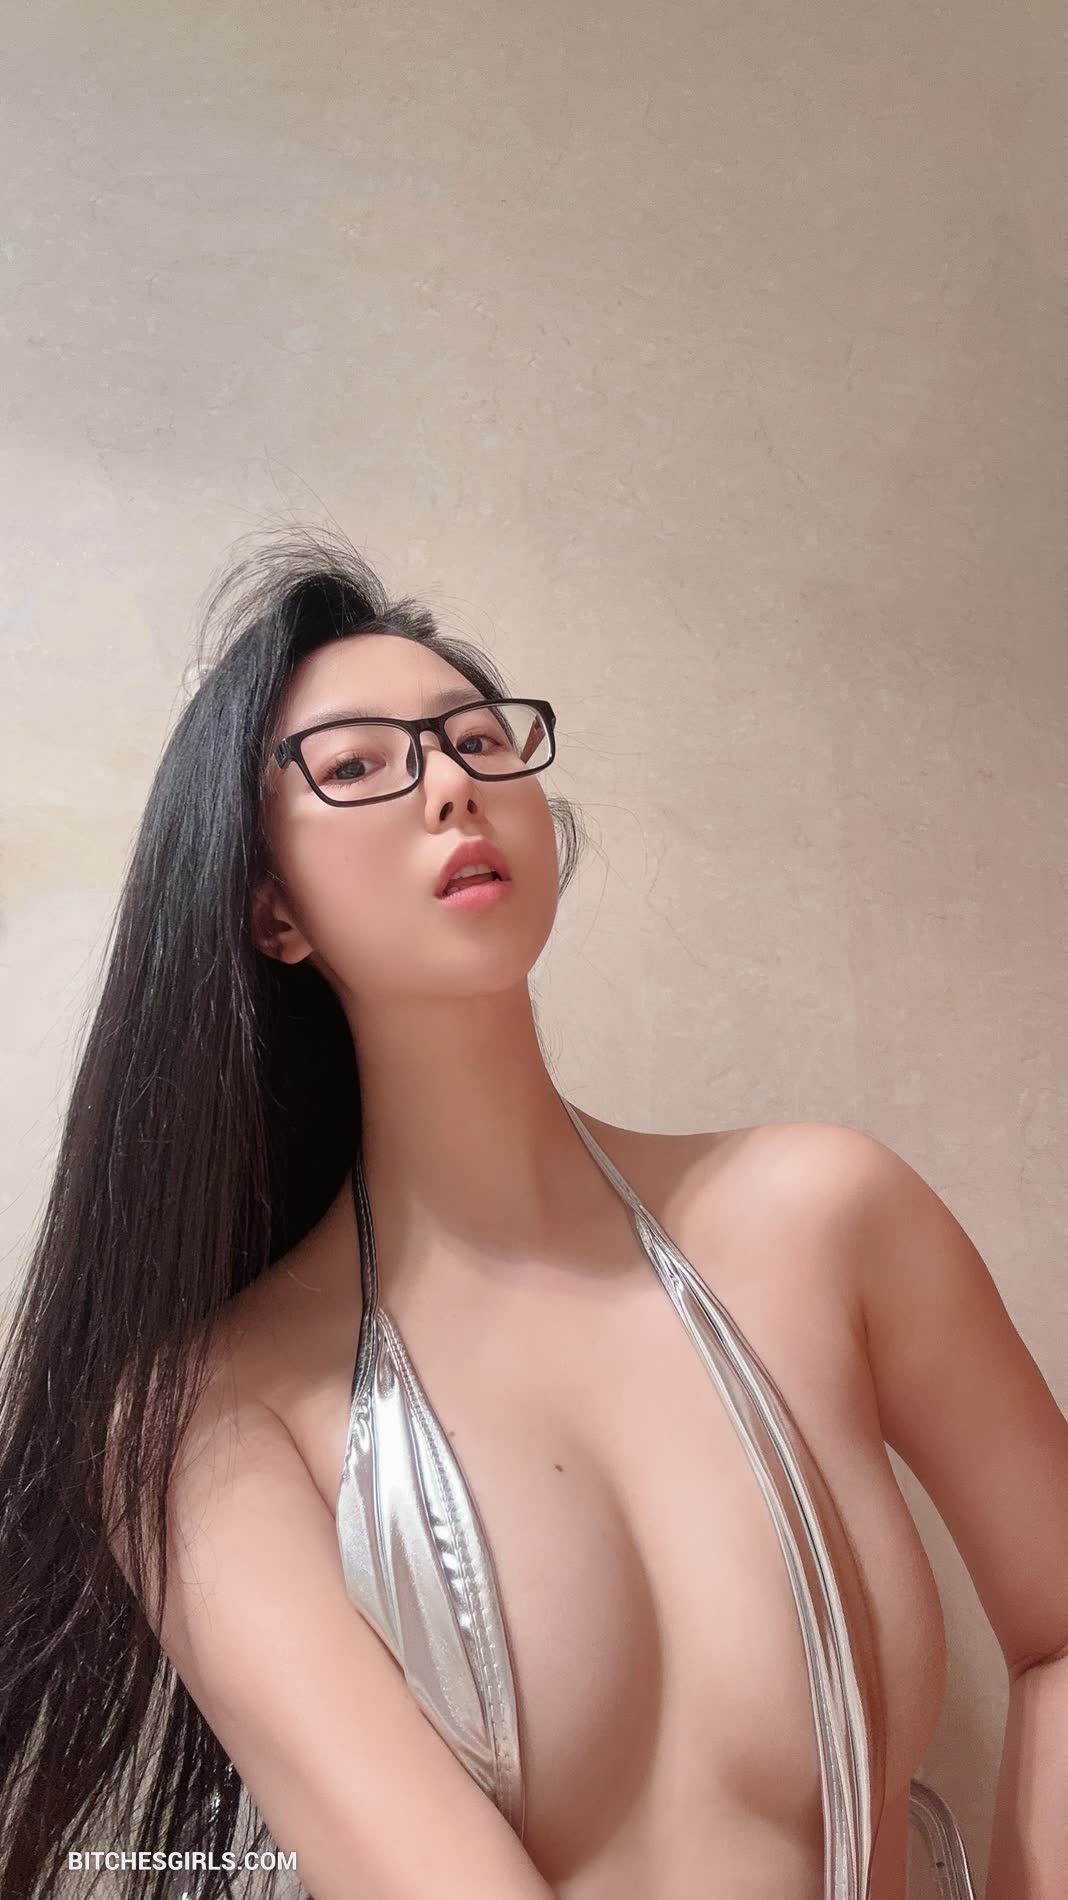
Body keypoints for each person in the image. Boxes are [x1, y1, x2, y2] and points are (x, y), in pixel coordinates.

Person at [1, 527, 1059, 1900]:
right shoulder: (206, 1426)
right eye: (358, 766)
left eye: (478, 740)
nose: (451, 783)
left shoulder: (829, 1219)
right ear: (272, 912)